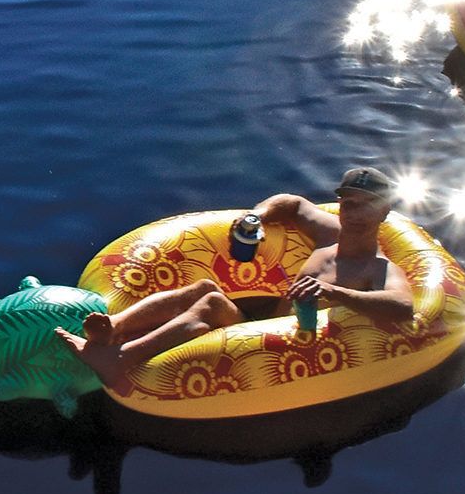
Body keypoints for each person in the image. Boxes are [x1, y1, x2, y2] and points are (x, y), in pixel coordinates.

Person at [55, 167, 418, 396]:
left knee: (212, 303)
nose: (355, 213)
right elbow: (293, 204)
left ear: (384, 211)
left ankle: (120, 358)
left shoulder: (377, 268)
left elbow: (402, 306)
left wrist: (334, 291)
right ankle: (114, 327)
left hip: (288, 348)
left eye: (367, 205)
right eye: (349, 203)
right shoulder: (329, 234)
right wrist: (255, 218)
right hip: (261, 327)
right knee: (204, 289)